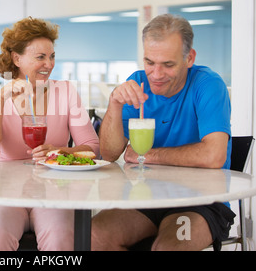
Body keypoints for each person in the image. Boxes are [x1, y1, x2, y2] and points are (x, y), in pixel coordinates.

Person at [92, 14, 235, 251]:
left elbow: (214, 156)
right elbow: (108, 153)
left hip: (200, 202)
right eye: (149, 62)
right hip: (145, 199)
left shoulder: (208, 84)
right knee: (93, 236)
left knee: (169, 246)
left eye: (168, 65)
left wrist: (148, 155)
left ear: (189, 58)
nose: (156, 75)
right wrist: (115, 104)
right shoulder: (137, 83)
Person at [0, 17, 100, 250]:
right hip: (3, 192)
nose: (49, 64)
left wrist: (61, 151)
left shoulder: (66, 92)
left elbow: (92, 147)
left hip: (54, 190)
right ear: (16, 58)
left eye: (52, 56)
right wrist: (1, 101)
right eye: (40, 57)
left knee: (61, 235)